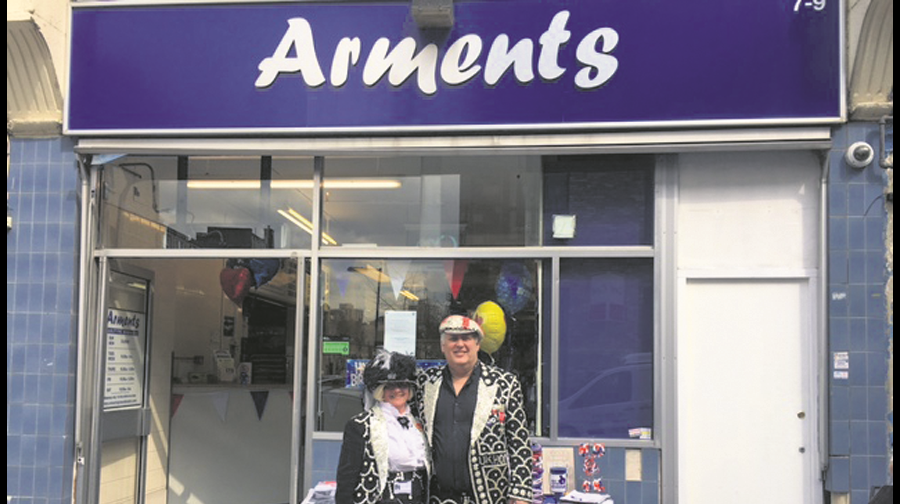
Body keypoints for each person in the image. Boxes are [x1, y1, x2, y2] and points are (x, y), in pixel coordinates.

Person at [414, 315, 532, 504]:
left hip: (489, 496)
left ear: (477, 345)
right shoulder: (425, 383)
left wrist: (520, 495)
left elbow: (520, 444)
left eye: (467, 338)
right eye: (453, 339)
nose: (460, 344)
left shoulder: (505, 384)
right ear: (443, 346)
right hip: (436, 497)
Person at [337, 350, 431, 504]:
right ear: (380, 390)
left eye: (402, 384)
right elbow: (346, 478)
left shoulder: (421, 422)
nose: (397, 390)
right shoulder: (360, 425)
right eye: (390, 386)